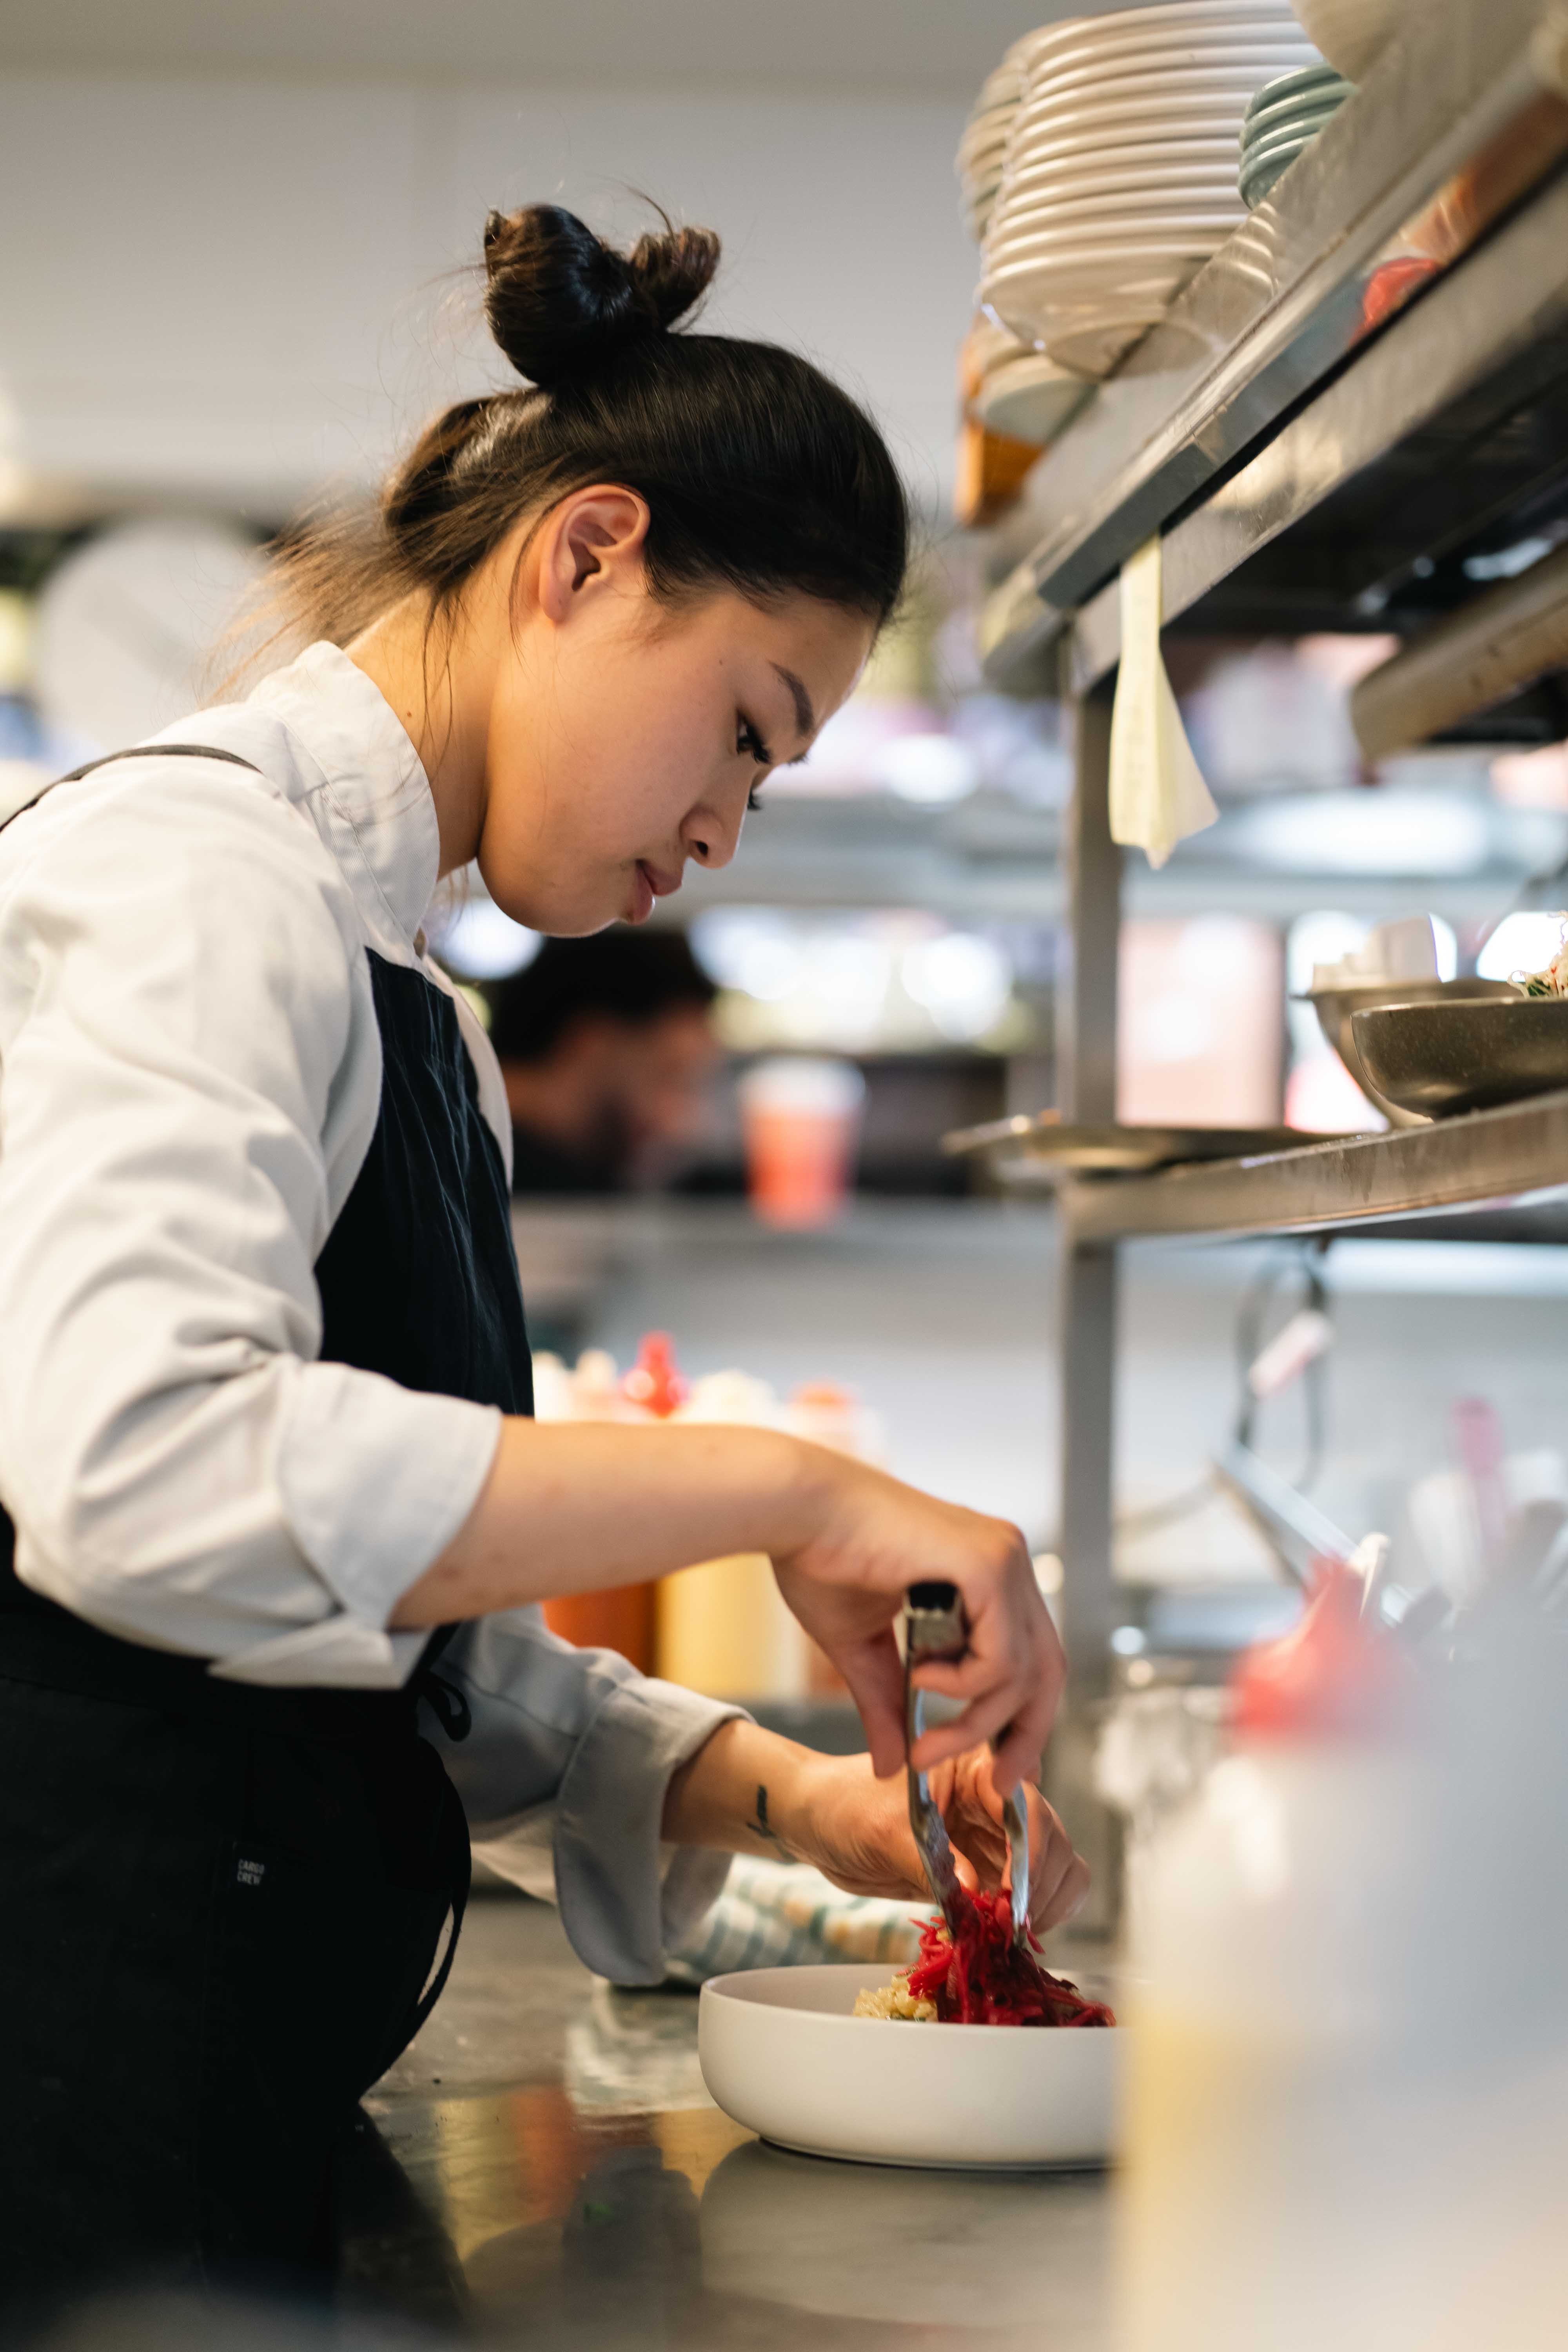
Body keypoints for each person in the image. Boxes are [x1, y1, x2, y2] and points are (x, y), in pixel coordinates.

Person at [0, 203, 1078, 2302]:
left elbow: (407, 1638)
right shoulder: (195, 875)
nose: (726, 828)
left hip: (205, 2106)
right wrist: (786, 1488)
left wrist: (794, 1800)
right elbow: (148, 1475)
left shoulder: (420, 1010)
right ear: (586, 558)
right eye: (747, 725)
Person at [488, 928, 720, 1192]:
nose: (683, 1116)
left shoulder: (571, 1171)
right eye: (669, 1075)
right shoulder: (491, 1170)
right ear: (590, 1043)